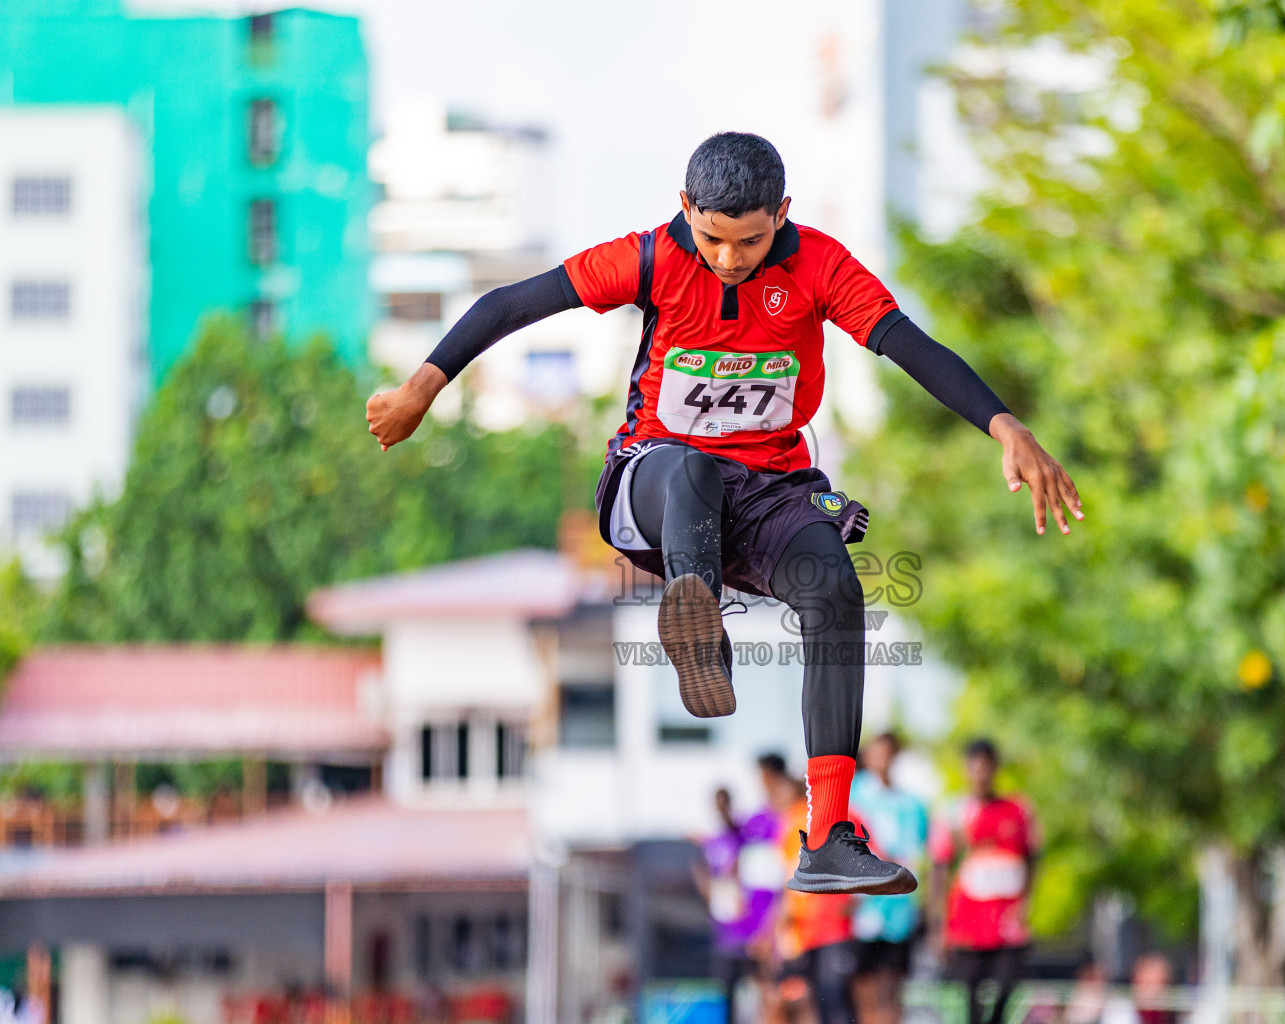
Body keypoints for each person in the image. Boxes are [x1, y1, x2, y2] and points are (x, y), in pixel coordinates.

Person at [367, 132, 1082, 895]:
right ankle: (694, 615)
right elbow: (510, 302)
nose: (730, 258)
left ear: (783, 213)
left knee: (836, 589)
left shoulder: (820, 267)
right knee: (695, 466)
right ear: (685, 209)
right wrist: (422, 386)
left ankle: (830, 836)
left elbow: (908, 345)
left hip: (771, 493)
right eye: (713, 238)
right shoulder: (648, 258)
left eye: (749, 240)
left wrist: (1005, 426)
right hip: (655, 486)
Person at [930, 738, 1041, 1024]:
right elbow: (940, 870)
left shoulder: (1018, 810)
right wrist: (938, 925)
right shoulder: (955, 812)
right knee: (969, 992)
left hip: (1007, 920)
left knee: (1008, 984)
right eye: (974, 767)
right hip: (968, 920)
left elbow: (1033, 858)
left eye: (985, 767)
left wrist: (1027, 903)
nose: (980, 774)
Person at [848, 732, 928, 1024]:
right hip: (860, 910)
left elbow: (919, 857)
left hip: (898, 913)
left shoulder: (913, 805)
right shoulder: (852, 798)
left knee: (892, 988)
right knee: (862, 988)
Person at [773, 767, 860, 1024]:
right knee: (814, 999)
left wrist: (854, 899)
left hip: (834, 925)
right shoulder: (790, 823)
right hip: (804, 929)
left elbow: (868, 861)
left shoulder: (843, 816)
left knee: (836, 996)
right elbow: (789, 875)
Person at [699, 782, 781, 1024]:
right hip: (727, 933)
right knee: (729, 992)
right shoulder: (714, 843)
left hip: (752, 929)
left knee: (764, 985)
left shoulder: (743, 836)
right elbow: (706, 876)